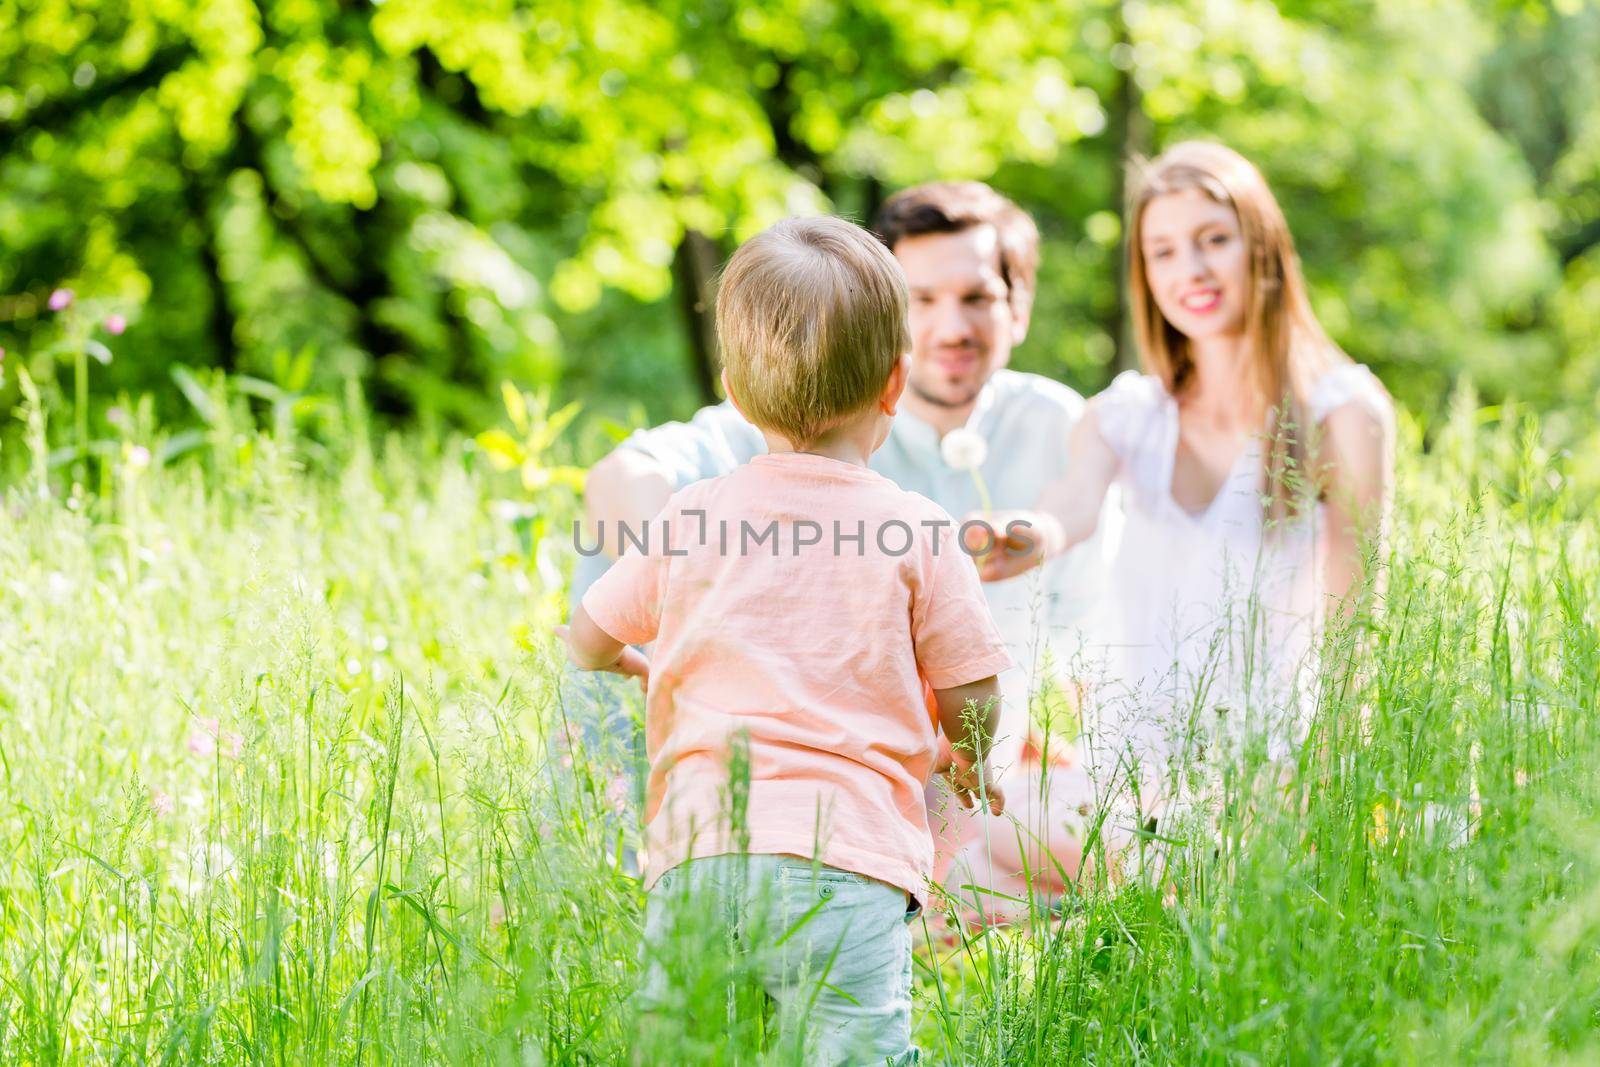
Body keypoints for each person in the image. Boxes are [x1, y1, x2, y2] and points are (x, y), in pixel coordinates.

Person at [573, 182, 1108, 921]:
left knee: (1118, 838)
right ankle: (611, 845)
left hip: (938, 781)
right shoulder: (805, 414)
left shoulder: (1053, 421)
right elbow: (618, 476)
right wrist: (684, 582)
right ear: (886, 336)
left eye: (976, 297)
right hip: (821, 779)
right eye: (920, 300)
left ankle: (948, 909)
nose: (949, 327)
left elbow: (1075, 642)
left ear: (1016, 305)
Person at [558, 216, 1011, 1064]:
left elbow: (586, 637)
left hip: (696, 857)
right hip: (847, 862)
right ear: (894, 382)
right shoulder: (914, 528)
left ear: (732, 390)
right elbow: (972, 686)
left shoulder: (691, 515)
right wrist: (974, 757)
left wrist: (628, 657)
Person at [978, 141, 1395, 826]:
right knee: (964, 841)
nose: (1191, 269)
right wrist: (1028, 537)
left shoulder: (1342, 411)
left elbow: (1357, 622)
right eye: (1163, 251)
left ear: (1262, 247)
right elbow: (1070, 507)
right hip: (1122, 779)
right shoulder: (1126, 414)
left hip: (1270, 773)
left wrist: (1327, 782)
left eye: (1214, 240)